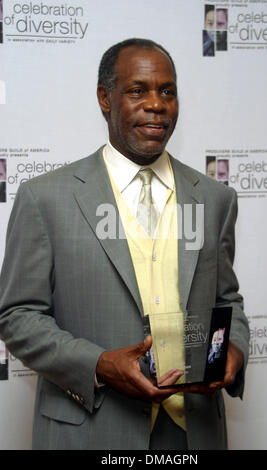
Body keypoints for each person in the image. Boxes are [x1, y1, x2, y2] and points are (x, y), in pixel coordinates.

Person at [0, 38, 249, 450]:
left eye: (167, 91)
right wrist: (97, 364)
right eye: (138, 90)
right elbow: (18, 315)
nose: (156, 104)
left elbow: (228, 300)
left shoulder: (215, 198)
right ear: (105, 98)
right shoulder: (45, 198)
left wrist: (233, 350)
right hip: (91, 429)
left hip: (193, 432)